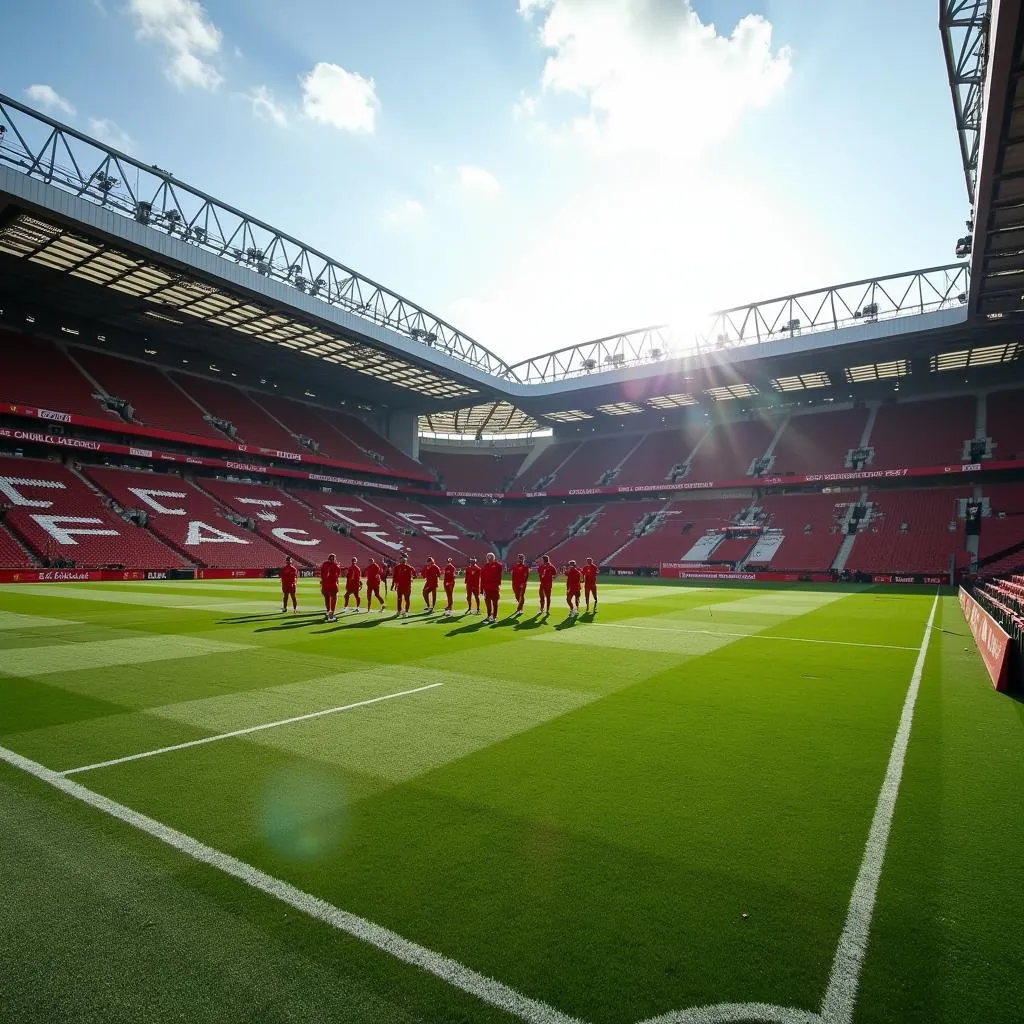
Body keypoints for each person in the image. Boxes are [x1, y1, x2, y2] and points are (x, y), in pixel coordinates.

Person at [481, 552, 503, 623]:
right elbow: (482, 577)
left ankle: (494, 616)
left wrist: (498, 586)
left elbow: (499, 576)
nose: (489, 559)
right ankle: (489, 616)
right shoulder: (485, 566)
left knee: (495, 602)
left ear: (493, 558)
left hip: (494, 587)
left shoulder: (498, 565)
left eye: (490, 557)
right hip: (486, 588)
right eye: (488, 557)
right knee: (487, 603)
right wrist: (482, 588)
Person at [319, 553, 341, 622]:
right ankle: (331, 616)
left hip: (325, 585)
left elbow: (322, 574)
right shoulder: (336, 565)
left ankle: (328, 612)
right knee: (334, 599)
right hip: (332, 585)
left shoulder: (324, 564)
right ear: (334, 559)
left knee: (327, 598)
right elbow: (337, 575)